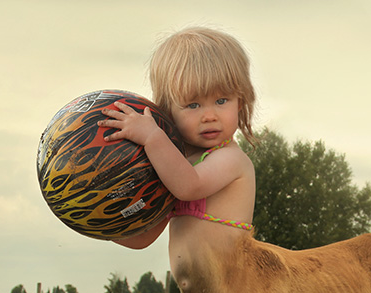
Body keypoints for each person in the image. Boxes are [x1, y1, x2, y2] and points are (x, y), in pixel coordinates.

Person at [97, 26, 257, 274]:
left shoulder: (230, 159)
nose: (209, 116)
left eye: (221, 101)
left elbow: (189, 186)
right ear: (167, 110)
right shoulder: (177, 167)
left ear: (241, 101)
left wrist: (152, 136)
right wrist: (92, 222)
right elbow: (143, 238)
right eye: (193, 104)